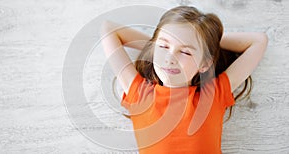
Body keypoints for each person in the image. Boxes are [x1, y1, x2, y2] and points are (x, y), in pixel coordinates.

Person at [100, 6, 268, 154]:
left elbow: (259, 41)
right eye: (164, 47)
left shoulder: (212, 95)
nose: (170, 58)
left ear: (204, 64)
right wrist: (157, 46)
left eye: (186, 52)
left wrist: (206, 41)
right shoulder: (139, 93)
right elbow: (108, 29)